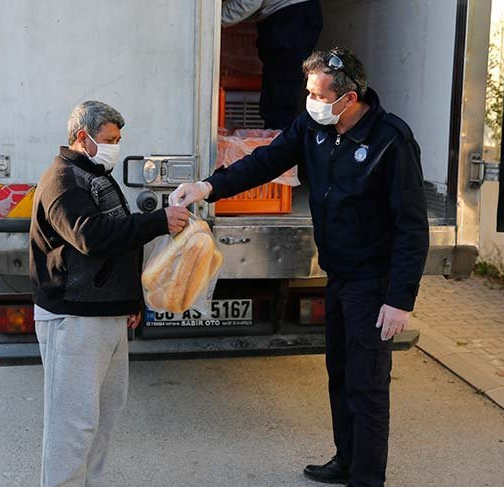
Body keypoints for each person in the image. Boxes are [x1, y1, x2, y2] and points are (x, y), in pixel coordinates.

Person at [170, 48, 429, 487]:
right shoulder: (313, 126)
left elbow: (411, 226)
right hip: (338, 275)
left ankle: (367, 479)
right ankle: (346, 459)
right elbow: (265, 162)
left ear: (347, 98)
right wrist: (207, 186)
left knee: (367, 386)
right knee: (340, 374)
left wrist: (399, 300)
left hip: (373, 280)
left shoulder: (390, 140)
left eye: (317, 93)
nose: (309, 100)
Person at [29, 100, 190, 487]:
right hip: (74, 318)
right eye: (109, 139)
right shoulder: (63, 179)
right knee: (73, 425)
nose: (115, 146)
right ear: (82, 138)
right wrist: (157, 221)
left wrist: (131, 300)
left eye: (118, 139)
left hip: (106, 315)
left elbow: (120, 243)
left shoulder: (95, 173)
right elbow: (91, 236)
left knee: (102, 419)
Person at [222, 0, 323, 129]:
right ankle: (279, 137)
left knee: (280, 90)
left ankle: (278, 140)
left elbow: (250, 2)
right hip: (295, 16)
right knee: (282, 84)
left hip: (289, 17)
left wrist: (214, 20)